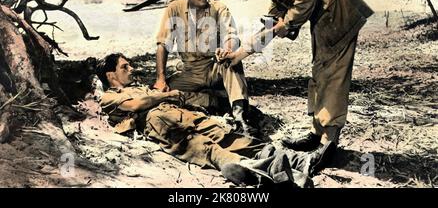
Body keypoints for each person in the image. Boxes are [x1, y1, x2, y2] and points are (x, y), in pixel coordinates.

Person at [95, 53, 337, 187]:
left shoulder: (140, 88)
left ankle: (300, 161)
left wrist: (165, 97)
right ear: (110, 75)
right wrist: (165, 95)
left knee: (227, 136)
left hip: (182, 113)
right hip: (157, 122)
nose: (132, 69)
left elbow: (175, 98)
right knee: (202, 147)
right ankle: (259, 170)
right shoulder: (109, 96)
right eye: (125, 66)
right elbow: (138, 106)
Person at [217, 0, 374, 152]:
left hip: (337, 11)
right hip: (326, 16)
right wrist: (239, 54)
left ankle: (329, 144)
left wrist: (288, 23)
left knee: (332, 75)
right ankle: (317, 134)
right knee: (319, 72)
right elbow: (270, 27)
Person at [153, 0, 255, 135]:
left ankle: (240, 116)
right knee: (162, 94)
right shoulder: (174, 8)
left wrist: (227, 50)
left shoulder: (219, 7)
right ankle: (214, 101)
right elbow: (162, 44)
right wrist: (160, 79)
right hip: (191, 72)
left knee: (231, 61)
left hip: (215, 67)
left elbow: (232, 35)